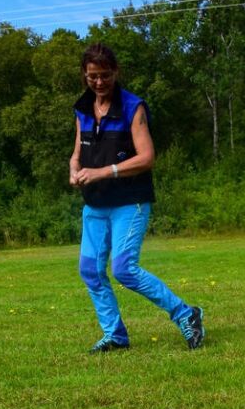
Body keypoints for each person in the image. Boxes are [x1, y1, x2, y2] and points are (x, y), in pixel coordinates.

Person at [69, 43, 204, 353]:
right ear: (84, 75)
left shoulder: (133, 107)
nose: (99, 83)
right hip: (94, 205)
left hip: (130, 201)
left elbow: (147, 158)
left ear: (115, 73)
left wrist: (103, 171)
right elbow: (77, 152)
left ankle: (187, 314)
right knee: (90, 270)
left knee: (124, 269)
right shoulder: (82, 110)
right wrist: (74, 169)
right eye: (92, 77)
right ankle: (115, 334)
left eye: (105, 76)